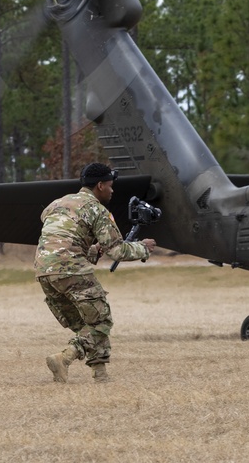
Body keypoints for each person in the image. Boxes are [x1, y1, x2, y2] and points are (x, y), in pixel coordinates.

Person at [35, 162, 157, 383]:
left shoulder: (55, 204)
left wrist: (91, 249)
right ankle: (64, 358)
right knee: (101, 323)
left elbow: (60, 236)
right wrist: (143, 248)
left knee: (87, 325)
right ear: (100, 185)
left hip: (44, 272)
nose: (112, 190)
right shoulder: (97, 209)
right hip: (71, 270)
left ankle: (100, 375)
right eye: (110, 186)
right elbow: (118, 251)